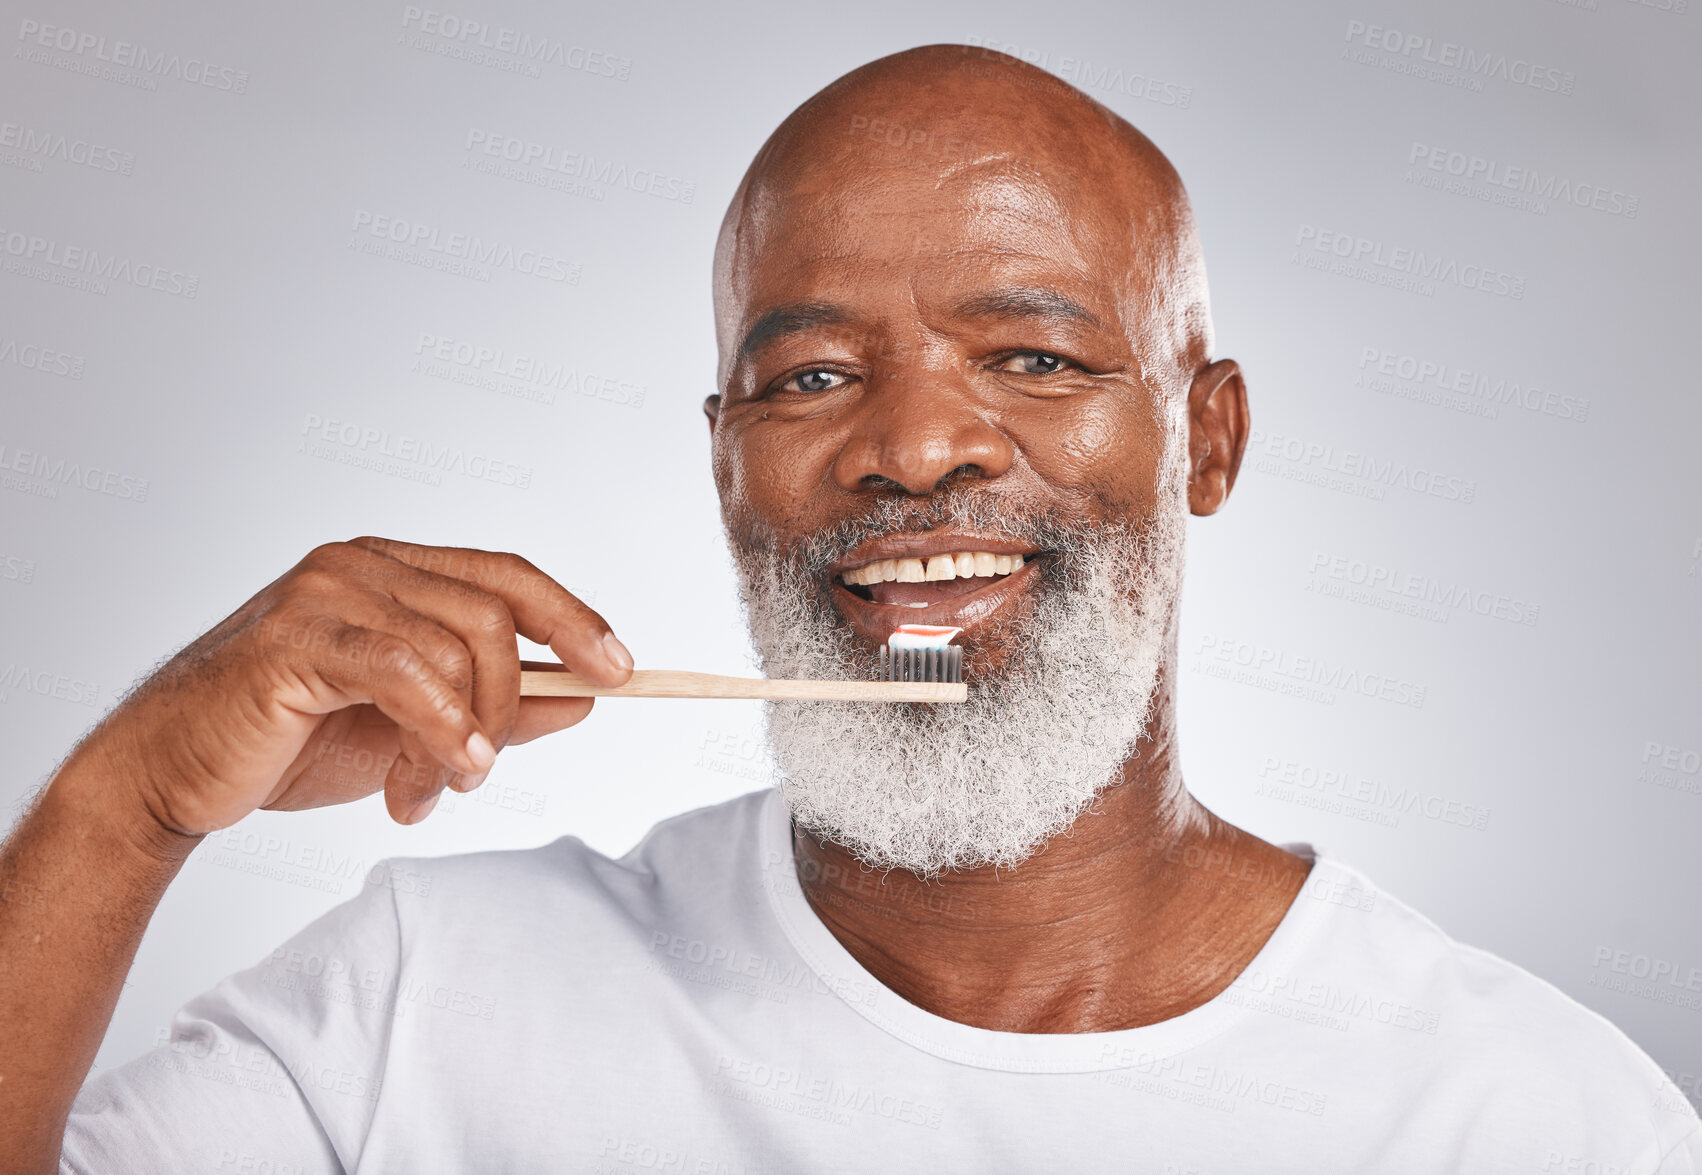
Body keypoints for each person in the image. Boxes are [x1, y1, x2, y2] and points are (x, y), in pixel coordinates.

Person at [4, 44, 1696, 1174]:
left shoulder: (1521, 1118)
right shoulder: (416, 1004)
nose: (909, 450)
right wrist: (123, 807)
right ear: (728, 462)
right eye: (808, 376)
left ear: (1209, 436)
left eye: (1030, 357)